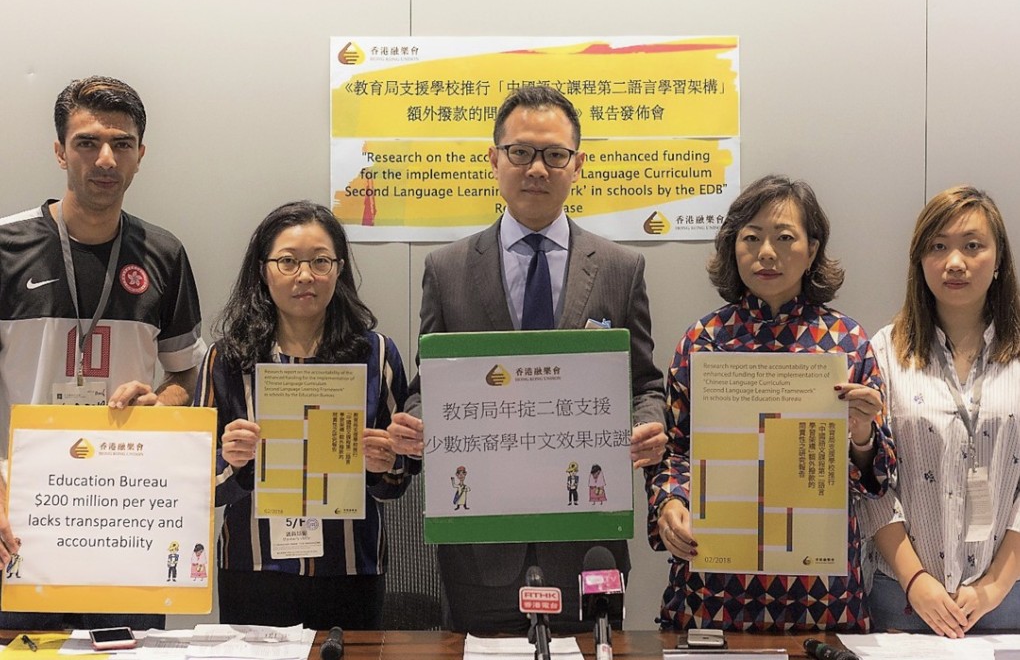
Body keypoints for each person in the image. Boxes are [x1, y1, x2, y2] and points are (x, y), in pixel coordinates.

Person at [387, 85, 668, 634]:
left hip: (589, 539)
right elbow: (430, 383)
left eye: (554, 155)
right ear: (493, 159)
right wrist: (417, 423)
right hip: (481, 545)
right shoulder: (446, 269)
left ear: (577, 165)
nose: (536, 168)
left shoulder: (619, 268)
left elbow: (645, 383)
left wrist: (647, 424)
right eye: (520, 152)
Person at [0, 75, 206, 630]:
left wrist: (163, 406)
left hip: (126, 512)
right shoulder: (5, 247)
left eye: (121, 143)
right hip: (20, 514)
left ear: (141, 154)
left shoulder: (164, 254)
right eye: (87, 142)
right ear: (60, 151)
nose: (105, 158)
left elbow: (186, 374)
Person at [648, 174, 897, 631]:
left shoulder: (847, 342)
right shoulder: (703, 341)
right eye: (752, 237)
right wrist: (670, 504)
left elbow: (875, 484)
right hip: (715, 586)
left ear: (813, 249)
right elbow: (674, 451)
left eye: (784, 237)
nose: (767, 253)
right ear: (732, 247)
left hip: (820, 590)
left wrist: (861, 435)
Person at [192, 201, 419, 630]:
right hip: (253, 567)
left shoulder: (377, 354)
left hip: (351, 569)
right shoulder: (227, 358)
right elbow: (200, 486)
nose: (305, 276)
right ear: (263, 270)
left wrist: (384, 466)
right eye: (288, 261)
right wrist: (233, 462)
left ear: (339, 268)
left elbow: (398, 481)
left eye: (320, 261)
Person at [859, 186, 1020, 636]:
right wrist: (915, 581)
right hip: (902, 598)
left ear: (999, 258)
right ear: (920, 259)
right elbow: (868, 476)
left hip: (1008, 599)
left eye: (972, 246)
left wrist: (994, 585)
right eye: (938, 246)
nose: (954, 262)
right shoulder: (884, 351)